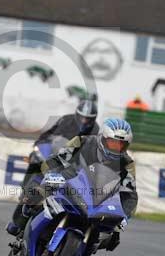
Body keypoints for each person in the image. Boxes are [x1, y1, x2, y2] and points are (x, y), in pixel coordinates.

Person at [7, 118, 138, 251]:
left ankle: (78, 253)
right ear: (102, 138)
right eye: (112, 142)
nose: (116, 147)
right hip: (68, 180)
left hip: (98, 197)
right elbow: (58, 159)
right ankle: (20, 225)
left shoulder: (127, 164)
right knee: (35, 194)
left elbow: (130, 194)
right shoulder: (83, 141)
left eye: (121, 144)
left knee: (110, 237)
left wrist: (122, 220)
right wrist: (51, 174)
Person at [7, 98, 99, 233]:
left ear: (93, 119)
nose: (84, 121)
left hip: (72, 166)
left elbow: (92, 149)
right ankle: (19, 217)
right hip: (55, 159)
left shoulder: (95, 130)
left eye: (88, 119)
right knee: (35, 165)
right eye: (82, 117)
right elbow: (50, 133)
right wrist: (39, 144)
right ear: (77, 114)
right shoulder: (66, 120)